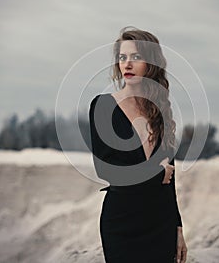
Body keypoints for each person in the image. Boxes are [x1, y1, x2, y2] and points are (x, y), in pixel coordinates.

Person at [89, 26, 188, 263]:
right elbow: (106, 169)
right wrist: (155, 173)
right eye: (122, 57)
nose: (127, 64)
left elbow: (170, 180)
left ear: (151, 63)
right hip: (122, 223)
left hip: (160, 224)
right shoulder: (104, 106)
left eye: (136, 57)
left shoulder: (159, 110)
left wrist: (178, 229)